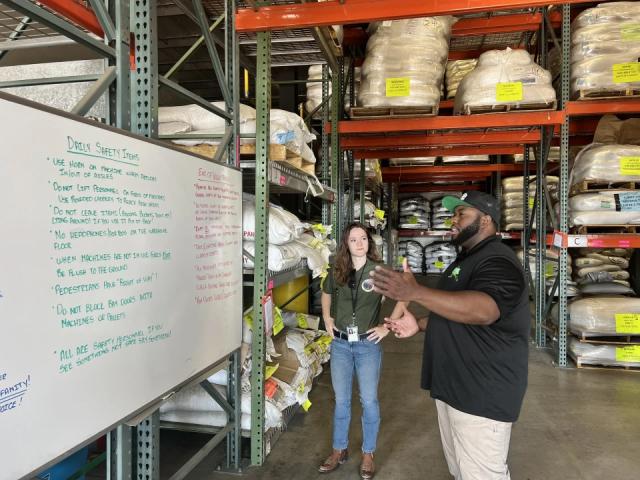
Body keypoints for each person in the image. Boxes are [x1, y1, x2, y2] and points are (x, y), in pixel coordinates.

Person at [371, 191, 529, 480]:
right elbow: (457, 313)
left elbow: (485, 311)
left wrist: (415, 292)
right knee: (461, 471)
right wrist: (419, 323)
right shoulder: (467, 259)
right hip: (456, 389)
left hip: (482, 392)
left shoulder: (498, 261)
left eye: (461, 214)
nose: (453, 220)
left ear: (486, 221)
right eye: (453, 214)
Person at [319, 222, 391, 479]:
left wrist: (387, 326)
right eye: (354, 240)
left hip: (367, 345)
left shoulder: (379, 271)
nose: (360, 243)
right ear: (345, 245)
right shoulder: (338, 270)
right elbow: (326, 292)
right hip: (339, 344)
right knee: (341, 401)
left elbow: (405, 295)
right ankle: (339, 450)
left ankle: (368, 453)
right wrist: (327, 317)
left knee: (369, 400)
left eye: (364, 238)